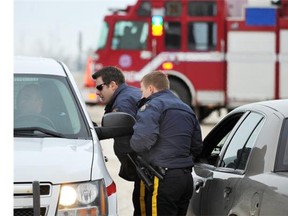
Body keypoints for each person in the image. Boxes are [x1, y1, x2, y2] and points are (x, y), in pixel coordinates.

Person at [130, 71, 203, 216]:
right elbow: (197, 146)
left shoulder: (153, 106)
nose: (141, 95)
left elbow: (142, 142)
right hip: (186, 179)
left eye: (142, 90)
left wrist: (131, 143)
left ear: (151, 89)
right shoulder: (187, 109)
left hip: (164, 178)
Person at [91, 66, 142, 214]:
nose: (97, 92)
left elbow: (119, 127)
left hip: (145, 170)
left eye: (100, 87)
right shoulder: (130, 93)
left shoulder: (124, 102)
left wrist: (93, 134)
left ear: (113, 85)